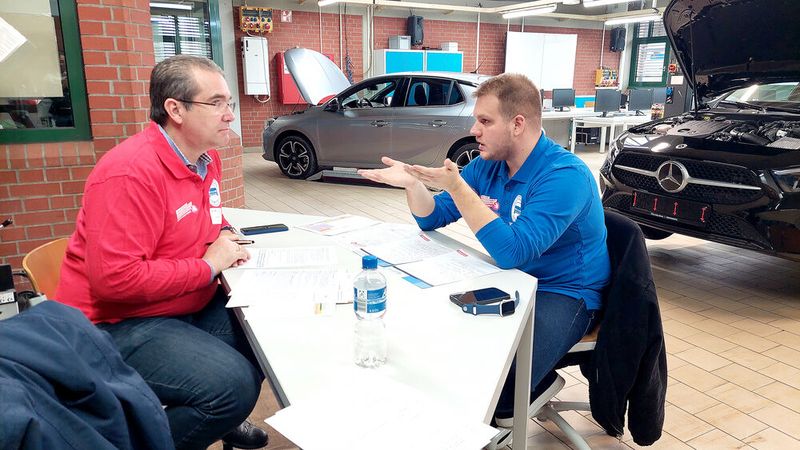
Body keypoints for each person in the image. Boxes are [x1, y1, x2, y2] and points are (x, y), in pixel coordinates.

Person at [359, 73, 611, 426]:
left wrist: (460, 188)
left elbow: (513, 251)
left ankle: (530, 390)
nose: (474, 130)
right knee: (453, 349)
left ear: (517, 124)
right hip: (512, 279)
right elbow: (433, 217)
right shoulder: (487, 165)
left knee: (500, 393)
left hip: (565, 292)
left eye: (485, 121)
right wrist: (413, 184)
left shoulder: (564, 176)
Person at [56, 55, 268, 450]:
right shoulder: (130, 172)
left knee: (265, 334)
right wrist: (207, 266)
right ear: (175, 109)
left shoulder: (206, 159)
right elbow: (113, 283)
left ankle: (223, 418)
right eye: (217, 103)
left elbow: (206, 219)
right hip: (111, 324)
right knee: (230, 386)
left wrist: (225, 239)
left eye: (230, 104)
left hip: (174, 303)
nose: (229, 115)